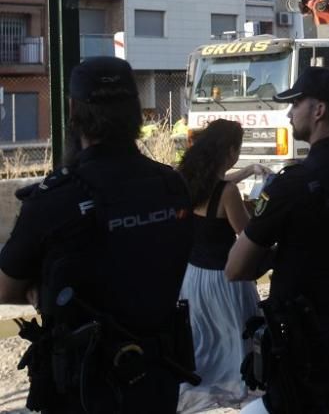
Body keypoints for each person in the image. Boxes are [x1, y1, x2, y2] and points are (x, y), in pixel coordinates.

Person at [0, 57, 195, 413]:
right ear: (137, 112)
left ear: (74, 112)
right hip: (157, 379)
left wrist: (46, 288)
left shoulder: (54, 198)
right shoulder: (172, 185)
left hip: (85, 387)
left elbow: (6, 287)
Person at [225, 67, 329, 413]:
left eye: (296, 102)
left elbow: (236, 267)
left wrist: (282, 250)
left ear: (319, 110)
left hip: (304, 347)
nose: (289, 111)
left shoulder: (293, 184)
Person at [176, 119, 265, 412]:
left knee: (204, 337)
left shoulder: (188, 179)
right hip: (224, 279)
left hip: (193, 277)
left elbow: (220, 184)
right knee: (236, 333)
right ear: (229, 152)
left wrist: (249, 171)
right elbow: (246, 233)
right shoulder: (227, 193)